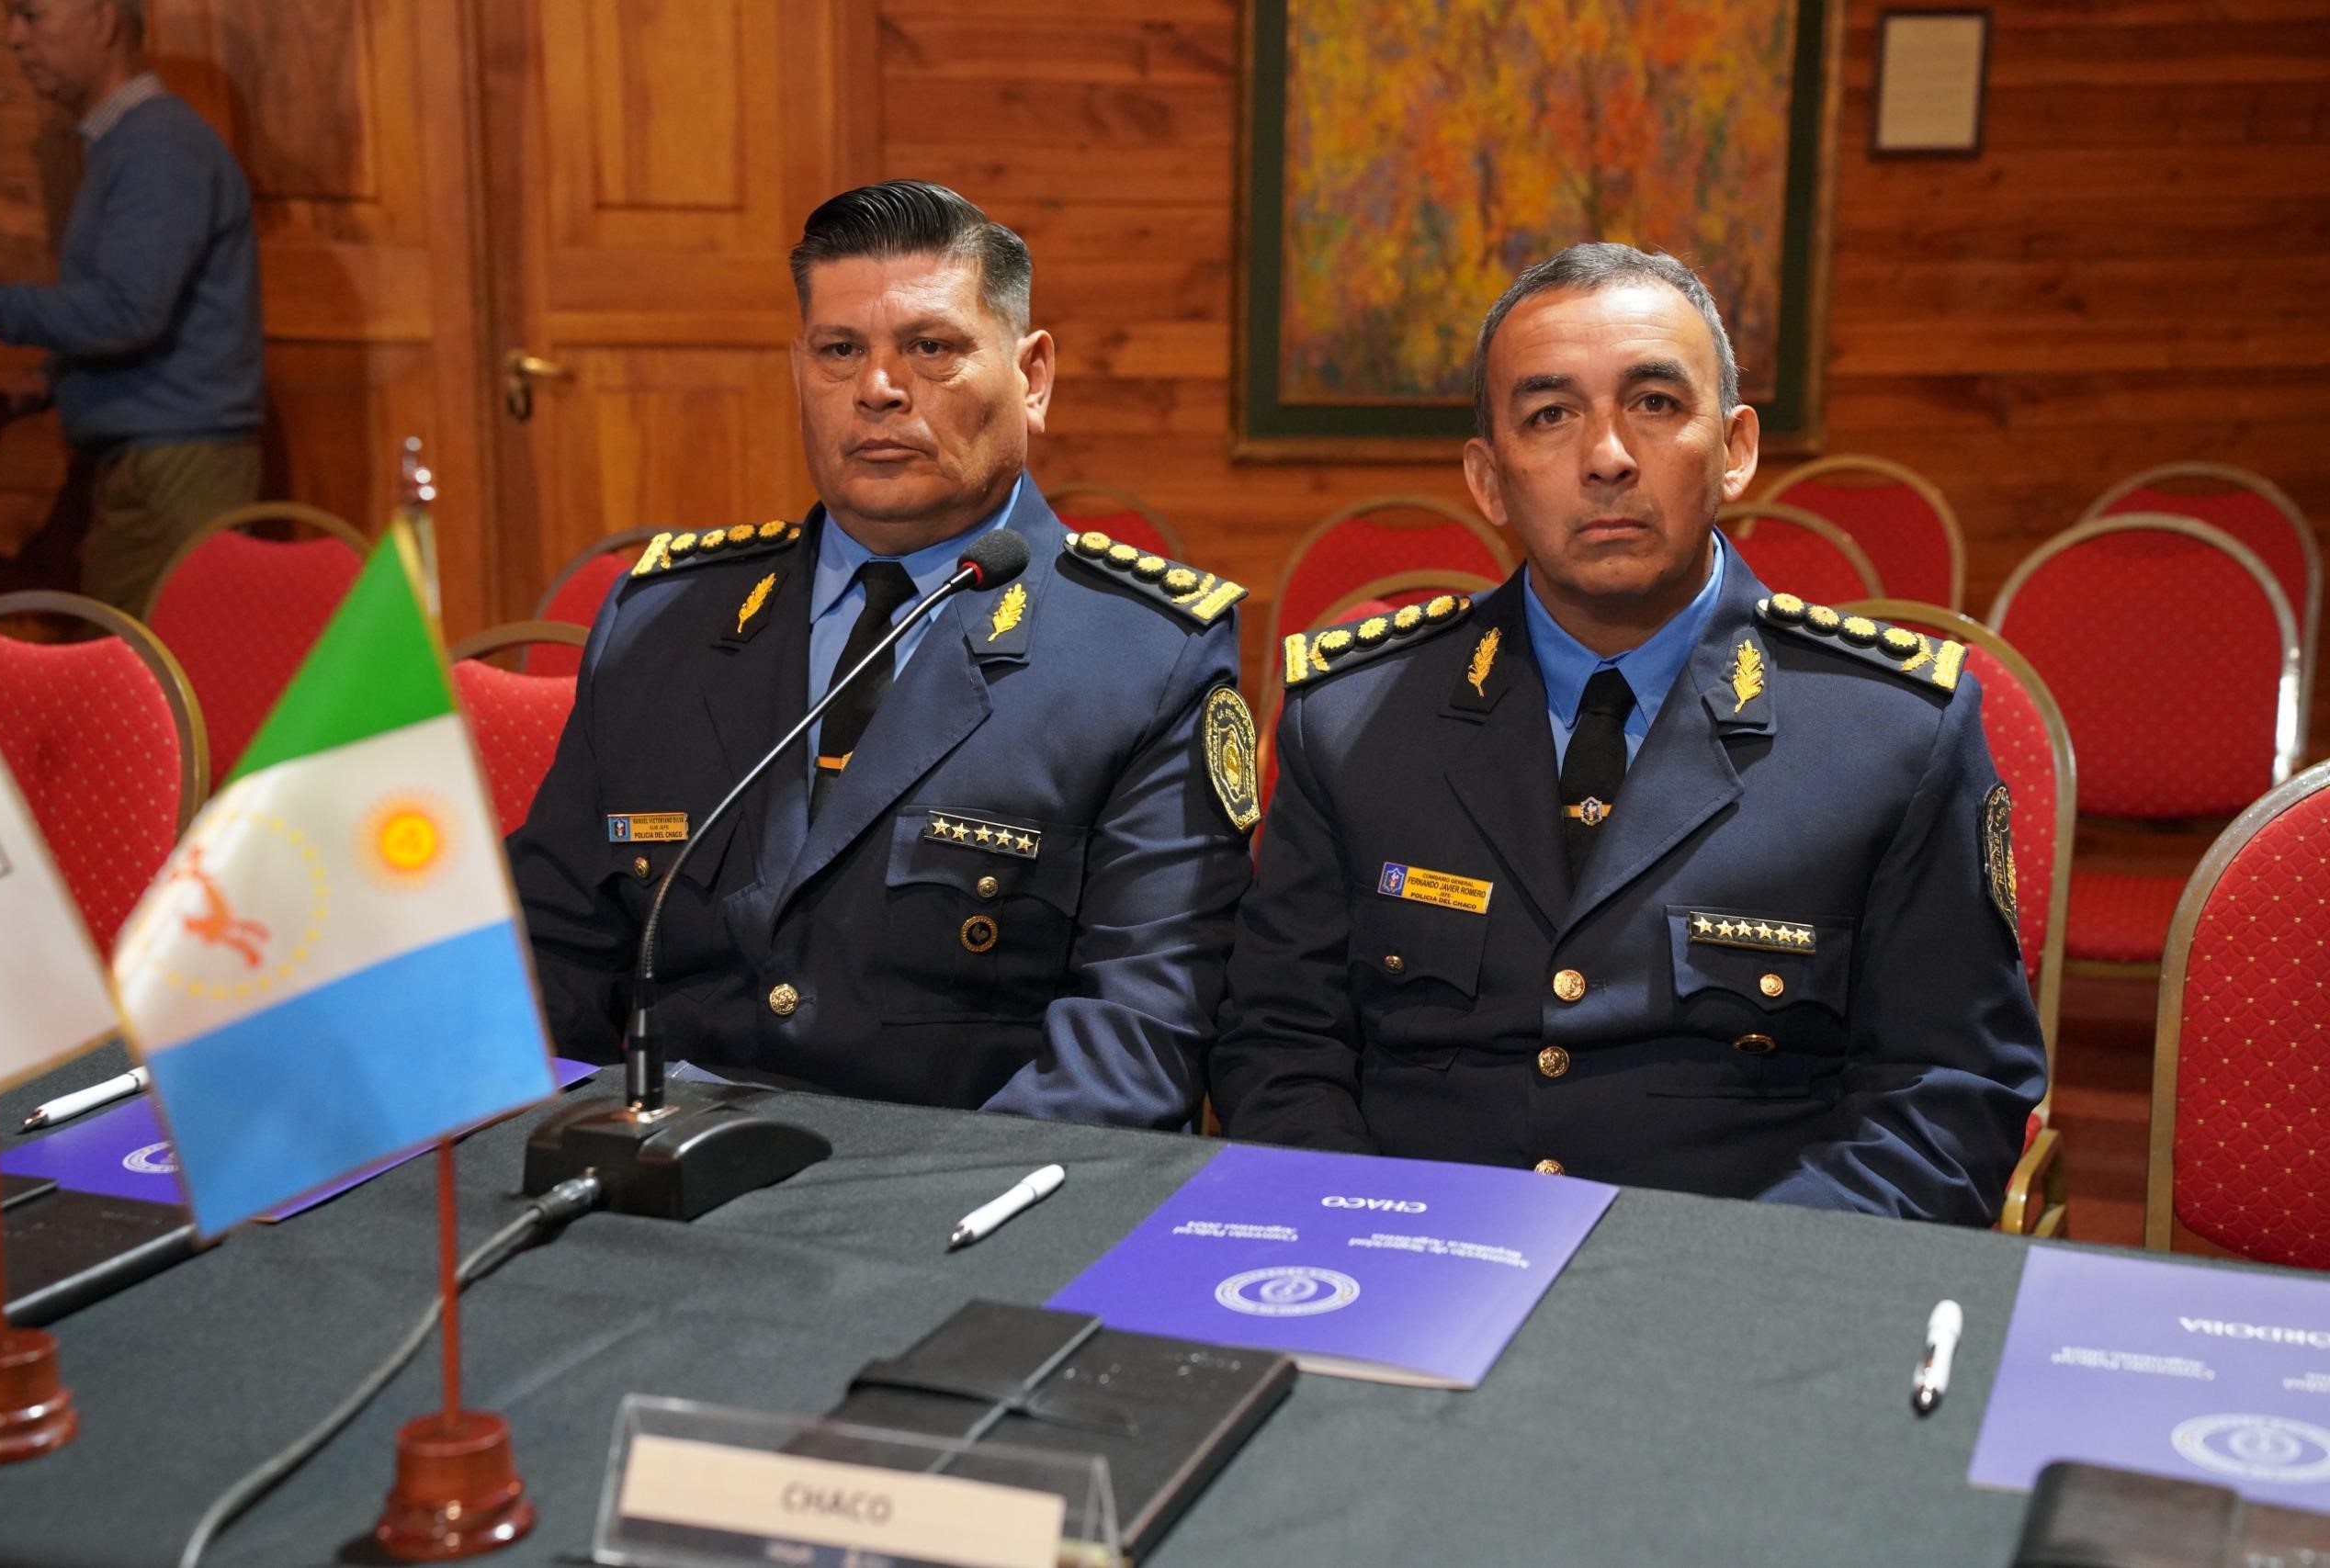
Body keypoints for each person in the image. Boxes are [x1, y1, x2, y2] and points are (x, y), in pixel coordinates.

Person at [1210, 243, 2044, 1224]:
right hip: (1402, 1264)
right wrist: (1361, 1233)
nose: (1606, 456)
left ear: (1734, 448)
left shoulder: (1891, 733)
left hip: (1725, 1303)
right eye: (1550, 415)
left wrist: (1706, 1294)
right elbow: (1279, 1045)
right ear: (1487, 478)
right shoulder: (1348, 718)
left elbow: (1944, 1104)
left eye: (1653, 403)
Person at [510, 180, 1258, 1128]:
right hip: (656, 1188)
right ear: (800, 371)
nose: (876, 388)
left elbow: (1131, 1047)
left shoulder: (1146, 657)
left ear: (1031, 379)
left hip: (941, 1219)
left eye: (930, 349)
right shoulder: (663, 623)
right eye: (839, 351)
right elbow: (552, 957)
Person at [0, 0, 263, 615]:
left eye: (31, 16)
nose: (13, 39)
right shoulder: (130, 144)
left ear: (104, 21)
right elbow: (151, 307)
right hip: (161, 467)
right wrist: (45, 383)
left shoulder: (156, 147)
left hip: (173, 477)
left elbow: (127, 313)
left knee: (145, 686)